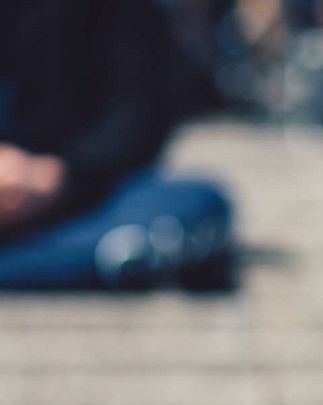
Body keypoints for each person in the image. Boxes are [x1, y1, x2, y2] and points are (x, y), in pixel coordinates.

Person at [0, 0, 234, 291]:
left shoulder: (118, 11)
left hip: (73, 196)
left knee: (197, 203)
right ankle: (70, 266)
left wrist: (55, 175)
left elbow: (137, 119)